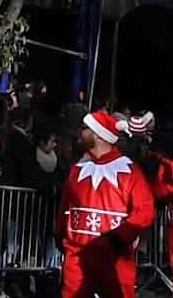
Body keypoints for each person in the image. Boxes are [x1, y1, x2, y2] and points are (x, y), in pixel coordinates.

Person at [63, 109, 152, 298]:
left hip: (113, 256)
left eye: (85, 128)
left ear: (97, 134)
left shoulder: (129, 170)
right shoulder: (77, 169)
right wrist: (61, 235)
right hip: (77, 256)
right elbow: (65, 208)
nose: (80, 132)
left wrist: (121, 236)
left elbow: (145, 210)